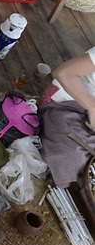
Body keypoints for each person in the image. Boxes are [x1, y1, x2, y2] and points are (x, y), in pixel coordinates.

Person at [39, 47, 95, 188]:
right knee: (72, 163)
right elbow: (64, 73)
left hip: (90, 119)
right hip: (67, 101)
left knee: (86, 169)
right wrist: (92, 108)